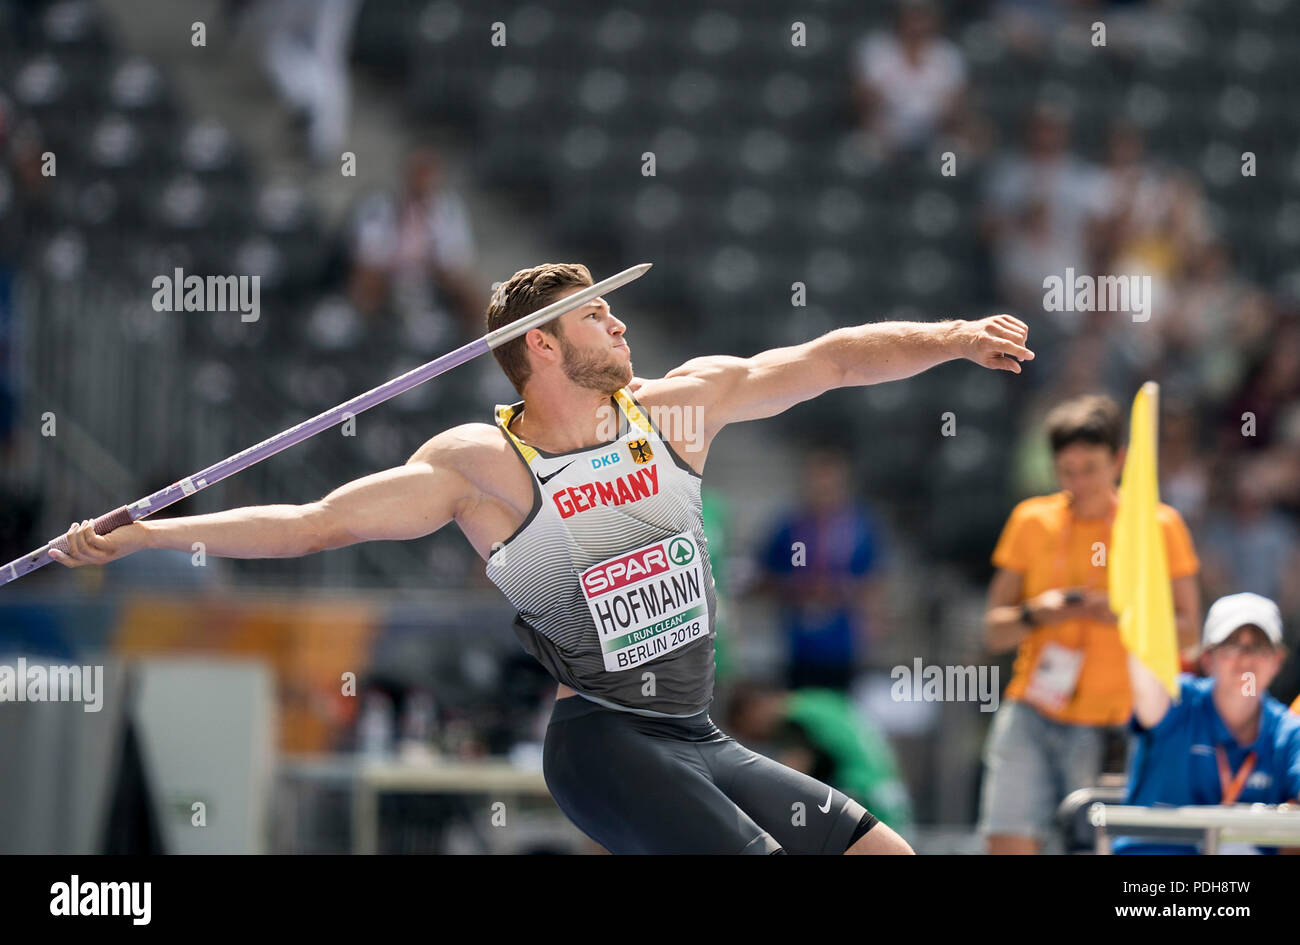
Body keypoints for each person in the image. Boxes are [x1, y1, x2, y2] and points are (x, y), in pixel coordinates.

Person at [48, 262, 1034, 854]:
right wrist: (149, 533)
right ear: (543, 348)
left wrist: (951, 337)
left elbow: (833, 360)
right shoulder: (484, 465)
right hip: (601, 741)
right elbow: (316, 523)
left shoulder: (676, 408)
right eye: (596, 314)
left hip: (694, 731)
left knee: (881, 850)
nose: (619, 321)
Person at [979, 393, 1200, 854]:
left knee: (1099, 849)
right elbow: (994, 630)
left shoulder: (1158, 526)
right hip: (1034, 711)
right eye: (1067, 471)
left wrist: (1124, 616)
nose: (1079, 483)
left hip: (1114, 726)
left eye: (1091, 469)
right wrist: (1038, 611)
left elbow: (1190, 634)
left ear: (1118, 460)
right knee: (1007, 841)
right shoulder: (1031, 520)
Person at [1119, 593, 1300, 854]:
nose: (1246, 658)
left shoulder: (1288, 731)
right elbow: (1145, 682)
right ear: (1206, 659)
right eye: (1232, 644)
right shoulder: (1176, 701)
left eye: (1258, 646)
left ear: (1277, 661)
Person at [759, 449, 887, 691]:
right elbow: (764, 576)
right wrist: (795, 588)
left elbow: (875, 580)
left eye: (830, 486)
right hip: (797, 642)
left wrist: (869, 615)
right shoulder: (788, 526)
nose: (823, 493)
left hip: (843, 642)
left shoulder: (860, 528)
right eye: (817, 484)